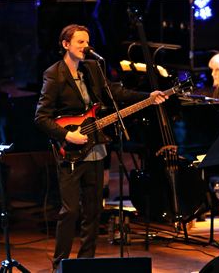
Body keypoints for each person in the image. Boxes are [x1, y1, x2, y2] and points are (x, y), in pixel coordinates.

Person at [34, 24, 167, 271]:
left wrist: (148, 97)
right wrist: (67, 135)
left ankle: (86, 264)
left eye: (87, 42)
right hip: (71, 151)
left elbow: (115, 92)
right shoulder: (54, 74)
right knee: (70, 211)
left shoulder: (93, 68)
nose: (86, 47)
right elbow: (41, 117)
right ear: (66, 44)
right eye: (80, 42)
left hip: (96, 148)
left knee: (94, 211)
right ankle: (58, 265)